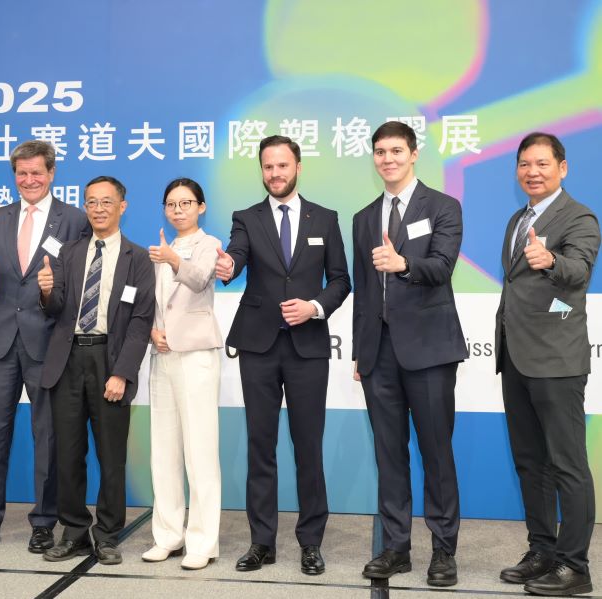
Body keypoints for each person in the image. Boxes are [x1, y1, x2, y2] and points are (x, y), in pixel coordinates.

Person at [214, 136, 350, 575]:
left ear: (298, 167)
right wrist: (228, 267)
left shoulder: (325, 218)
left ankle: (311, 542)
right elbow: (235, 256)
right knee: (261, 445)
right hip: (259, 346)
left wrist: (315, 307)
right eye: (268, 166)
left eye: (282, 165)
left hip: (308, 347)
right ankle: (262, 542)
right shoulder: (246, 218)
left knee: (308, 446)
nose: (275, 173)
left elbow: (341, 280)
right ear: (262, 170)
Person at [0, 140, 89, 553]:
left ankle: (44, 522)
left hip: (49, 341)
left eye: (36, 173)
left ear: (51, 174)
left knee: (47, 435)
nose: (29, 180)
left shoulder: (74, 219)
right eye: (22, 173)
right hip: (0, 341)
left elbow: (83, 276)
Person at [351, 121, 467, 587]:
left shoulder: (442, 206)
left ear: (414, 154)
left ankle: (443, 551)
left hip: (430, 351)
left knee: (437, 453)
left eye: (396, 150)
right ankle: (396, 548)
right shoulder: (363, 218)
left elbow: (442, 266)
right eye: (380, 152)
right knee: (389, 455)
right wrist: (360, 351)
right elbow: (363, 291)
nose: (388, 159)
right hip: (378, 354)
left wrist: (403, 264)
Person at [495, 132, 599, 597]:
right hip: (516, 357)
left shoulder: (579, 216)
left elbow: (579, 269)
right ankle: (542, 551)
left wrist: (551, 258)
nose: (532, 172)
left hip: (556, 360)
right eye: (524, 164)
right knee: (530, 463)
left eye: (541, 163)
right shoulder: (519, 219)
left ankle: (575, 566)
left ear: (562, 167)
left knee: (567, 464)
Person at [37, 175, 154, 566]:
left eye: (106, 202)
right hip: (68, 361)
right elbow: (55, 309)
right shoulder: (69, 252)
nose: (98, 209)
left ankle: (107, 535)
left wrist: (122, 372)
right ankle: (73, 532)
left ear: (122, 206)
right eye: (91, 202)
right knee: (68, 454)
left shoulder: (138, 258)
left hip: (110, 360)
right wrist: (46, 291)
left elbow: (140, 321)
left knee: (111, 456)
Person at [142, 178, 222, 571]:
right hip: (162, 355)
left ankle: (202, 541)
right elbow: (150, 302)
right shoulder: (160, 247)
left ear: (201, 207)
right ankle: (168, 535)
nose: (178, 210)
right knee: (164, 450)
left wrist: (173, 259)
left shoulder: (209, 244)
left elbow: (200, 278)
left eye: (186, 203)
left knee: (200, 451)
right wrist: (151, 331)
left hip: (196, 356)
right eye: (171, 204)